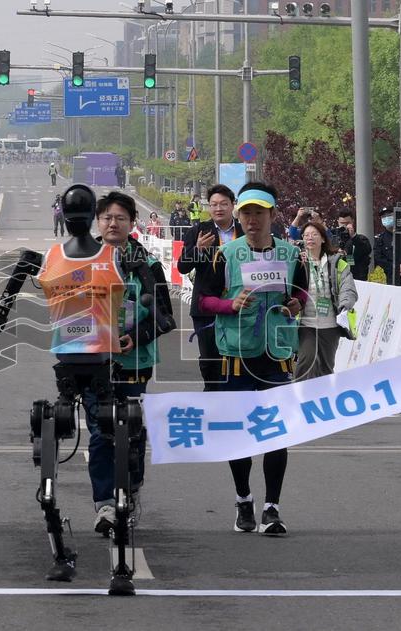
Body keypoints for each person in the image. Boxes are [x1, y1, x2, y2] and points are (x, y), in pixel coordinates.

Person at [197, 182, 307, 536]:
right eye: (245, 212)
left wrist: (296, 304)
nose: (251, 219)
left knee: (276, 434)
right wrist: (230, 305)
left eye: (259, 212)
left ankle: (271, 508)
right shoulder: (224, 255)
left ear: (273, 216)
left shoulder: (292, 256)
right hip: (236, 355)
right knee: (239, 435)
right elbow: (203, 300)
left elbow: (302, 293)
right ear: (238, 215)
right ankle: (244, 499)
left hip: (276, 356)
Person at [86, 191, 175, 533]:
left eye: (120, 218)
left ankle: (132, 487)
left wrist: (134, 337)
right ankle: (105, 504)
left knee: (133, 431)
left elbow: (165, 315)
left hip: (135, 361)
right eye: (107, 217)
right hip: (92, 362)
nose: (112, 223)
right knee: (99, 432)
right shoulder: (82, 258)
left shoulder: (148, 263)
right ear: (98, 221)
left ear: (132, 223)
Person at [178, 184, 243, 392]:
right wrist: (197, 250)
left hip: (239, 304)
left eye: (224, 204)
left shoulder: (244, 232)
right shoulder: (199, 231)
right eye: (213, 204)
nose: (218, 208)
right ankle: (212, 394)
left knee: (237, 355)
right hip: (206, 306)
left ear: (233, 205)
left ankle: (235, 396)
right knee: (210, 357)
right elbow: (182, 267)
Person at [293, 220, 357, 381]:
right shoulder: (298, 262)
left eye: (314, 234)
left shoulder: (338, 264)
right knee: (306, 362)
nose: (310, 238)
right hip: (306, 323)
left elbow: (348, 288)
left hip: (330, 325)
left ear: (323, 238)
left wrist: (345, 305)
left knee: (326, 368)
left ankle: (324, 401)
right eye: (306, 235)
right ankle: (299, 400)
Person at [334, 208, 372, 281]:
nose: (344, 226)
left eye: (347, 223)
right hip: (338, 279)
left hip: (357, 279)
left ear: (352, 222)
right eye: (342, 223)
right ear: (338, 222)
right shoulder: (334, 240)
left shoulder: (360, 238)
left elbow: (366, 250)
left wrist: (353, 236)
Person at [374, 206, 395, 284]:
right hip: (391, 277)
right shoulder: (380, 239)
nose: (386, 218)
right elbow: (378, 257)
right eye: (383, 216)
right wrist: (395, 268)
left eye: (389, 215)